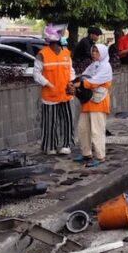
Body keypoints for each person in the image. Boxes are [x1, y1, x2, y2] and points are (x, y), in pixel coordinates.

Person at [34, 25, 76, 155]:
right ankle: (50, 146)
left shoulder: (66, 53)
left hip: (65, 94)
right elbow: (36, 74)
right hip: (50, 96)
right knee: (49, 122)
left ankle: (66, 145)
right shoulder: (42, 54)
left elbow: (71, 71)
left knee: (67, 121)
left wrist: (71, 82)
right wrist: (48, 84)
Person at [71, 43, 112, 166]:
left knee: (97, 130)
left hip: (98, 101)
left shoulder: (106, 67)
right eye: (93, 51)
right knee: (83, 129)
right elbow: (83, 76)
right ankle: (86, 153)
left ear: (103, 53)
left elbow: (94, 81)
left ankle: (100, 157)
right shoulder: (93, 66)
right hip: (88, 101)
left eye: (96, 51)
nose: (94, 53)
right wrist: (75, 82)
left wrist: (80, 84)